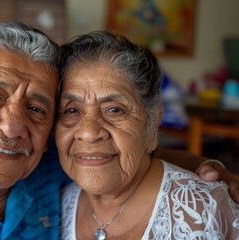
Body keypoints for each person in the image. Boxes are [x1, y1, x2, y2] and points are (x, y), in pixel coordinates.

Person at [0, 22, 237, 239]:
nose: (12, 126)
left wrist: (201, 166)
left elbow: (116, 157)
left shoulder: (44, 165)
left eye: (36, 108)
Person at [57, 31, 239, 239]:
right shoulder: (54, 203)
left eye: (114, 109)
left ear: (153, 123)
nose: (89, 133)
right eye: (71, 110)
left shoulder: (201, 215)